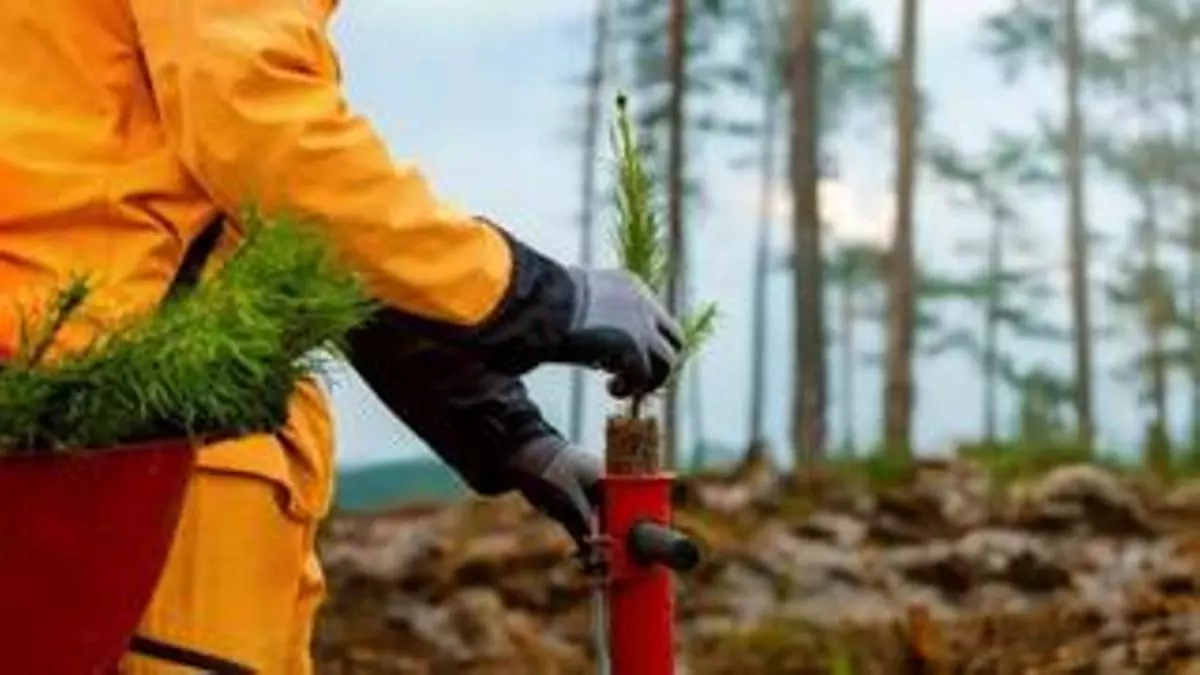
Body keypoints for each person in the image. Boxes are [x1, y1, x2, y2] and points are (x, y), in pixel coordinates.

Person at [0, 1, 683, 672]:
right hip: (151, 469)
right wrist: (535, 295)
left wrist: (509, 435)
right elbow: (265, 138)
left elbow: (287, 236)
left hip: (64, 455)